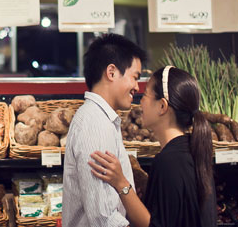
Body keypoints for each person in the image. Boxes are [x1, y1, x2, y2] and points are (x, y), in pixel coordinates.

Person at [88, 66, 217, 227]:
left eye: (146, 95)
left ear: (162, 106)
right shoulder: (191, 149)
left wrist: (121, 183)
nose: (140, 101)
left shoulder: (169, 161)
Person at [63, 33, 147, 227]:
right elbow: (103, 217)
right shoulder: (95, 125)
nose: (137, 87)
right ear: (111, 72)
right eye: (135, 77)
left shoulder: (102, 119)